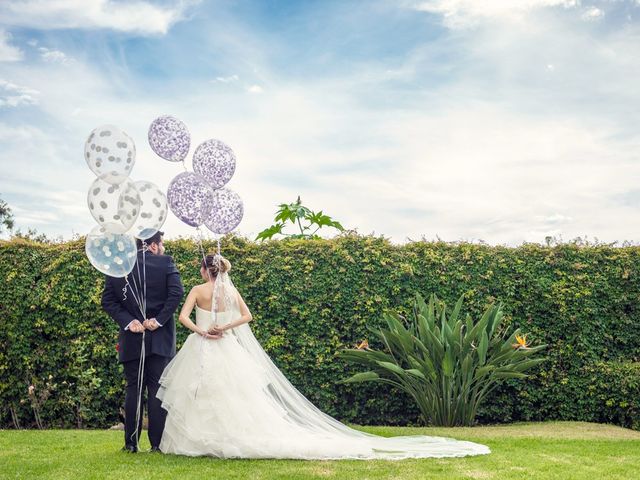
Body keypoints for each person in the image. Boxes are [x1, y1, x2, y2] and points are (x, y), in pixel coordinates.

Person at [157, 254, 490, 459]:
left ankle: (205, 440)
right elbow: (248, 317)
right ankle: (224, 439)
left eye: (201, 269)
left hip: (204, 345)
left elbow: (183, 317)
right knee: (233, 394)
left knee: (204, 393)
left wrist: (203, 331)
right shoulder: (231, 291)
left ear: (205, 270)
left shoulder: (198, 291)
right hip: (227, 343)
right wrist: (225, 326)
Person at [102, 231, 184, 453]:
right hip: (160, 338)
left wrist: (130, 322)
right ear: (154, 246)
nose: (163, 248)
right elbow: (177, 293)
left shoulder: (120, 266)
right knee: (157, 388)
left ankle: (131, 444)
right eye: (162, 243)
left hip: (132, 337)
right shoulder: (166, 262)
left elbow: (108, 301)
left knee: (134, 389)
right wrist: (158, 320)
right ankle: (157, 445)